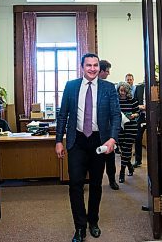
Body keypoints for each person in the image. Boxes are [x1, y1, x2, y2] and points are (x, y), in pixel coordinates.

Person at [55, 53, 121, 242]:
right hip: (77, 142)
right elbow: (63, 116)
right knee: (75, 184)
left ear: (99, 67)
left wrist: (112, 139)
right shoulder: (71, 86)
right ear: (82, 66)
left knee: (95, 184)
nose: (92, 68)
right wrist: (59, 140)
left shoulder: (108, 88)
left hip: (99, 142)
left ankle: (93, 221)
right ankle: (80, 227)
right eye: (88, 65)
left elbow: (116, 115)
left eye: (95, 65)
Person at [98, 60, 119, 191]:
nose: (109, 73)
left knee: (110, 159)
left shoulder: (110, 87)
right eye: (107, 71)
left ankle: (112, 180)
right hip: (92, 132)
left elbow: (115, 113)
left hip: (107, 131)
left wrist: (113, 135)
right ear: (101, 71)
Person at [116, 81, 139, 183]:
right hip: (119, 127)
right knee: (123, 148)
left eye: (125, 91)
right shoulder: (116, 101)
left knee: (127, 148)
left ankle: (122, 171)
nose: (123, 93)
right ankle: (129, 166)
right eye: (121, 90)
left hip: (131, 126)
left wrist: (133, 115)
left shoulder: (132, 100)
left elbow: (137, 112)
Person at [133, 82, 146, 168]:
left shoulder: (156, 85)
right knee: (137, 137)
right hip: (141, 116)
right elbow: (134, 103)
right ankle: (138, 160)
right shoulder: (139, 88)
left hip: (153, 116)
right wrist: (139, 107)